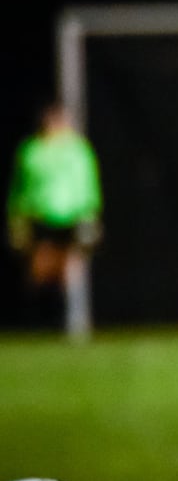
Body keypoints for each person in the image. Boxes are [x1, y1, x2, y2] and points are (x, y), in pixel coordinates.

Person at [6, 100, 103, 337]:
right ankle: (35, 320)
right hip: (40, 214)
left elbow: (87, 183)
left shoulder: (78, 150)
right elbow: (21, 187)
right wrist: (17, 217)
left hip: (71, 215)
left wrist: (91, 214)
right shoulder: (33, 151)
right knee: (40, 268)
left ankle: (71, 321)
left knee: (70, 268)